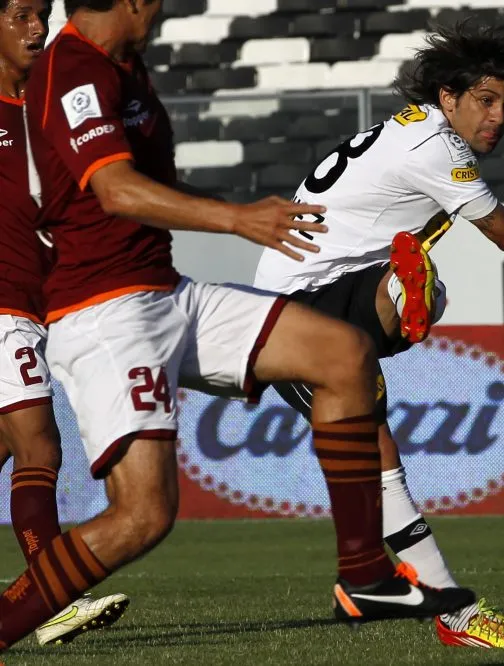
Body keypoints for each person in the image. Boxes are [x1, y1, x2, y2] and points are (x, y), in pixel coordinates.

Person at [0, 0, 476, 652]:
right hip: (106, 312)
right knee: (143, 515)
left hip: (167, 293)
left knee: (342, 353)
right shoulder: (71, 69)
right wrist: (236, 218)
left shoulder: (125, 65)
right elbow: (114, 191)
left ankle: (364, 573)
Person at [253, 22, 504, 647]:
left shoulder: (422, 126)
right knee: (379, 452)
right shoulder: (434, 150)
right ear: (449, 98)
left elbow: (468, 131)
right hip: (295, 315)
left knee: (382, 450)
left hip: (323, 291)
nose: (497, 117)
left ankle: (402, 297)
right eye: (486, 102)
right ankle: (453, 615)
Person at [0, 0, 129, 645]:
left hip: (40, 302)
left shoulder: (48, 108)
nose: (36, 28)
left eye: (41, 15)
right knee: (40, 446)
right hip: (2, 309)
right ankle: (49, 599)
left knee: (9, 447)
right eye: (21, 15)